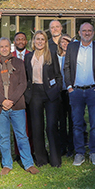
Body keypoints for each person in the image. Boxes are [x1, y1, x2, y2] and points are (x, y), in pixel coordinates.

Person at [0, 37, 40, 175]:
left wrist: (11, 100)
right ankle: (7, 164)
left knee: (22, 135)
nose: (4, 49)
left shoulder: (18, 63)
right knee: (4, 137)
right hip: (0, 107)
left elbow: (23, 83)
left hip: (17, 106)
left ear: (10, 47)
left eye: (6, 46)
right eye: (2, 46)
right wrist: (2, 101)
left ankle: (28, 163)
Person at [64, 23, 95, 166]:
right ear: (79, 32)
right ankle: (80, 153)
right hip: (76, 91)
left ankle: (94, 152)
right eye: (84, 30)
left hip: (93, 91)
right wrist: (70, 87)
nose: (87, 33)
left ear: (93, 33)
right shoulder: (72, 47)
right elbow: (67, 67)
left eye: (89, 31)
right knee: (77, 124)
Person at [24, 30, 63, 167]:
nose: (40, 41)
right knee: (36, 127)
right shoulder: (28, 57)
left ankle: (55, 160)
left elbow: (58, 76)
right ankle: (41, 159)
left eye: (42, 39)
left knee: (51, 126)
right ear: (33, 41)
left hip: (50, 93)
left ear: (46, 42)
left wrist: (56, 89)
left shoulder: (51, 55)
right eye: (37, 39)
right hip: (34, 93)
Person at [56, 34, 74, 157]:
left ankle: (72, 147)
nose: (65, 44)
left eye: (67, 42)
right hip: (59, 92)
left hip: (71, 91)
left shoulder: (74, 56)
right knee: (61, 122)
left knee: (73, 121)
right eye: (63, 42)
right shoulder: (55, 57)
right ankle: (62, 146)